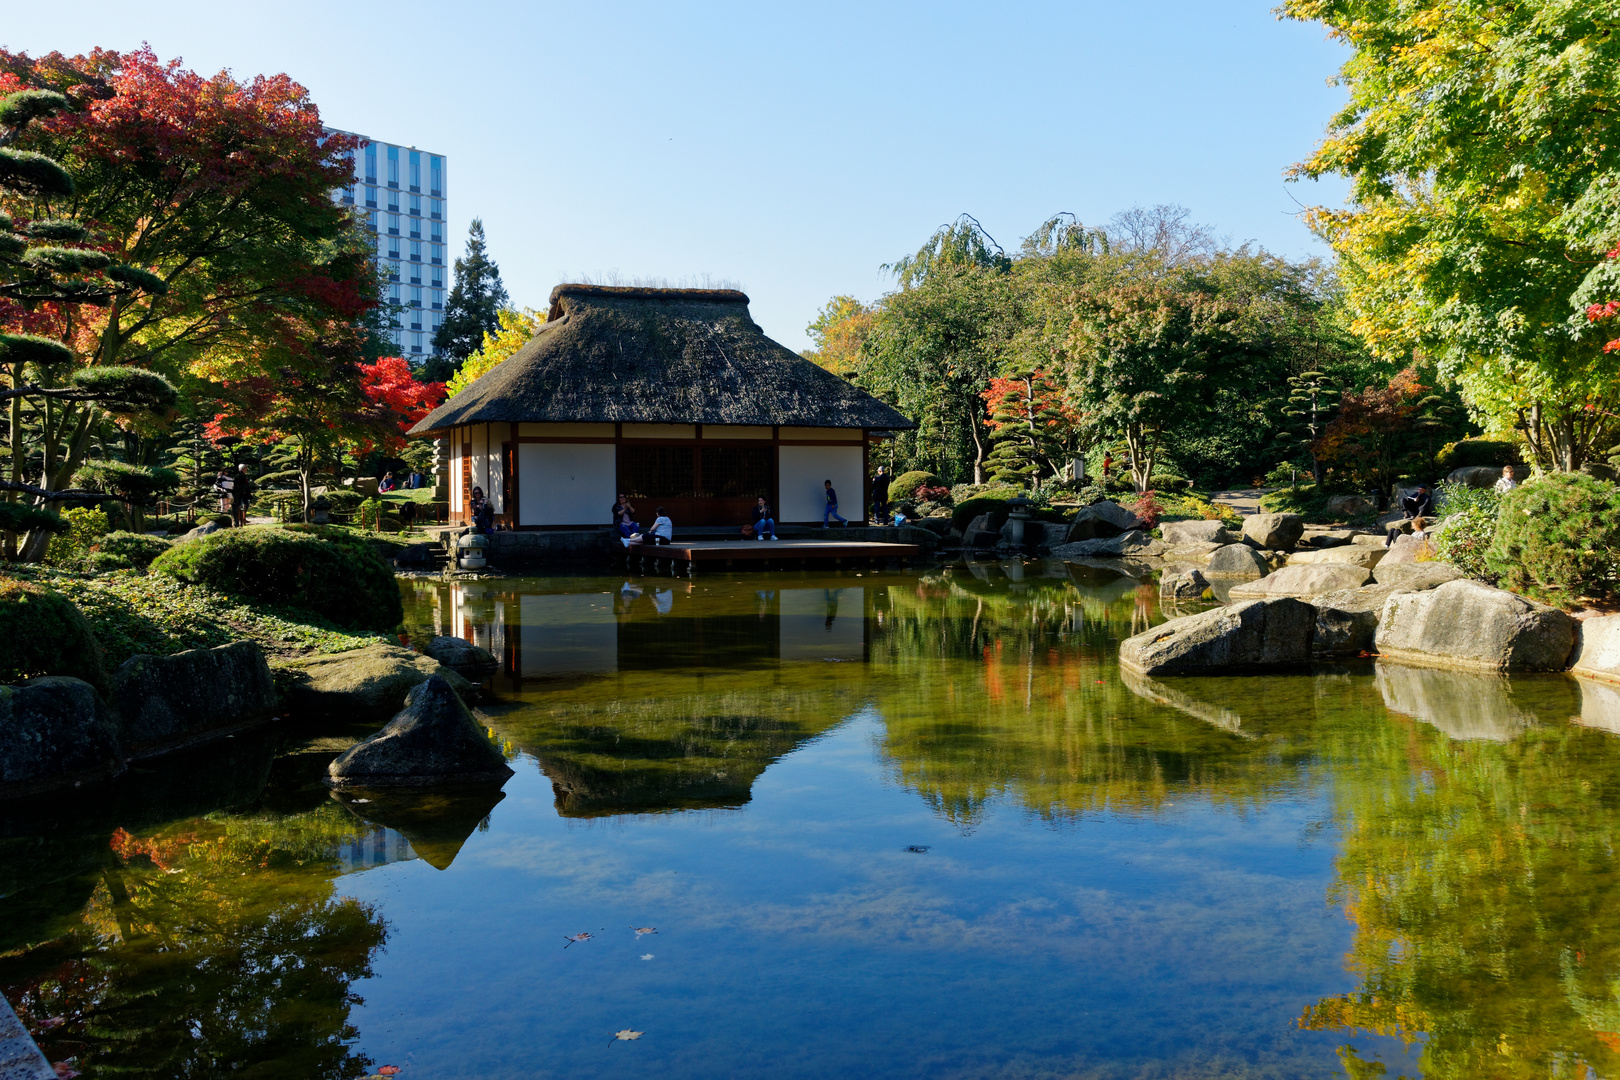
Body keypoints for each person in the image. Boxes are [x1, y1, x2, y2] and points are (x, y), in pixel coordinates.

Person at [230, 464, 256, 529]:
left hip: (244, 493)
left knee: (244, 505)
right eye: (246, 468)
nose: (246, 469)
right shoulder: (239, 475)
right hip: (241, 493)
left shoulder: (242, 475)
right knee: (241, 505)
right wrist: (243, 490)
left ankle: (243, 518)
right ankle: (240, 518)